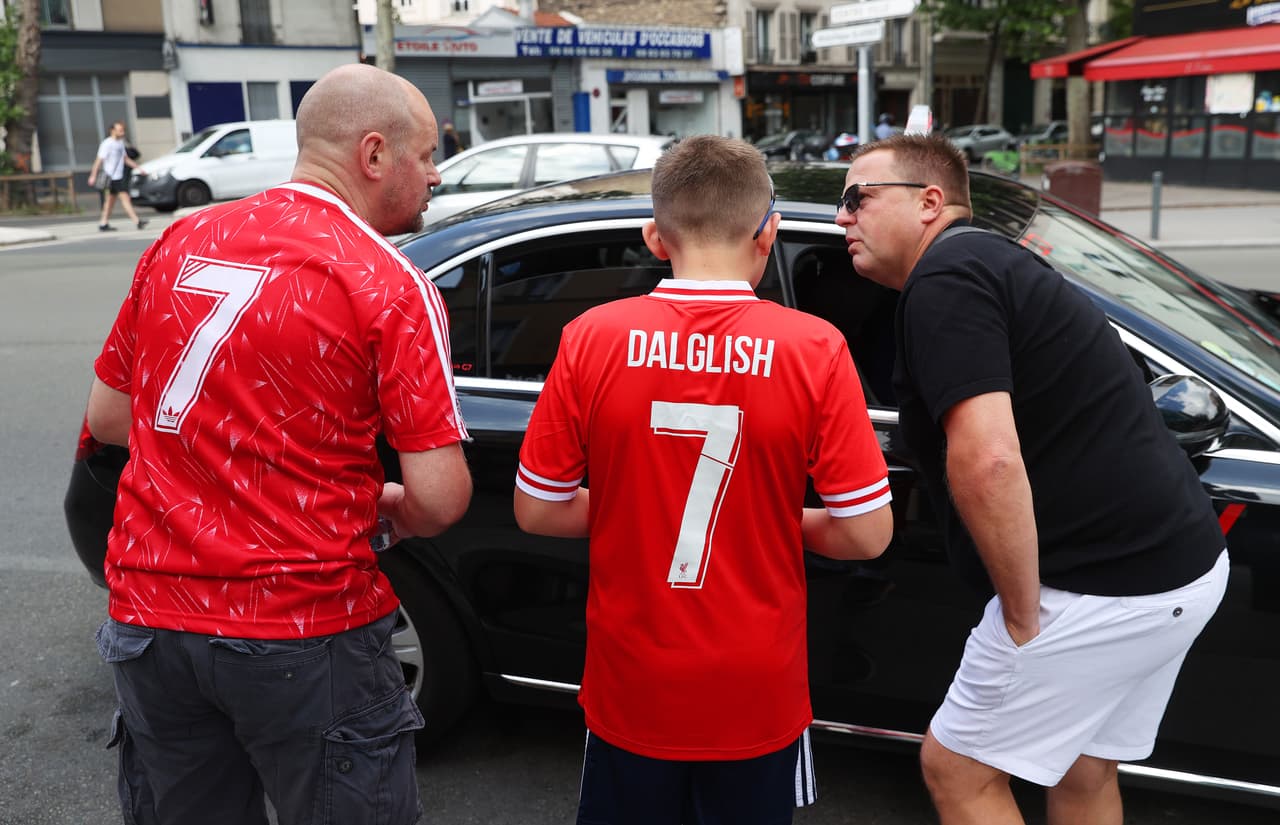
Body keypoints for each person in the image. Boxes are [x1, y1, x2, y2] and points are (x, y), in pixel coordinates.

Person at [85, 63, 472, 825]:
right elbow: (439, 498)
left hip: (151, 620)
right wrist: (386, 501)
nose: (435, 174)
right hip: (305, 626)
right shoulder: (388, 282)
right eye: (427, 155)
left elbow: (108, 419)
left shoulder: (182, 239)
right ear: (373, 154)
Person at [835, 133, 1228, 825]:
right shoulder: (989, 261)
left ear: (929, 202)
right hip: (1180, 568)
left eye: (857, 197)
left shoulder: (945, 281)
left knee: (956, 769)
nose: (843, 216)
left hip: (1098, 587)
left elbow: (988, 459)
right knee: (1082, 766)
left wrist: (1021, 616)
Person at [514, 135, 894, 825]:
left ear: (654, 237)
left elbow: (538, 510)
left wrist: (636, 507)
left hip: (632, 680)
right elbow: (866, 533)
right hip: (755, 685)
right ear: (769, 232)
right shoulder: (815, 348)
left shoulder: (590, 336)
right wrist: (763, 515)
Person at [89, 121, 148, 232]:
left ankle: (103, 223)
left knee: (110, 202)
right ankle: (137, 221)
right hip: (111, 178)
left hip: (118, 176)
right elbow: (98, 160)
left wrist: (139, 168)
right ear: (112, 130)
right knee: (123, 199)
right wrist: (93, 175)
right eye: (120, 130)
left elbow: (125, 159)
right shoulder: (107, 144)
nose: (122, 132)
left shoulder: (120, 143)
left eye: (123, 130)